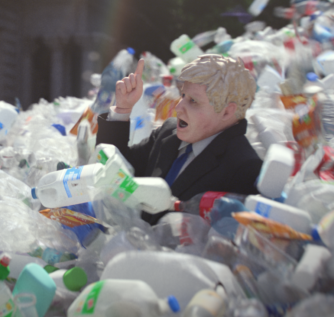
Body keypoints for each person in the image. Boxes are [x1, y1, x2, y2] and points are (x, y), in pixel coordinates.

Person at [96, 54, 263, 224]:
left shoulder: (244, 167)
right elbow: (112, 169)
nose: (179, 107)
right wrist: (122, 109)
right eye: (183, 95)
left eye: (193, 101)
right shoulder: (168, 133)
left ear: (227, 112)